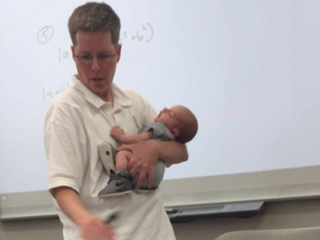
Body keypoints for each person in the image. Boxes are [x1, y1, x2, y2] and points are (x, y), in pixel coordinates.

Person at [44, 2, 188, 240]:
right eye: (85, 57)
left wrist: (154, 148)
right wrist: (86, 221)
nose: (95, 67)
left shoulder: (134, 101)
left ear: (118, 53)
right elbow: (62, 186)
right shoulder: (64, 111)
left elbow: (181, 152)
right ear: (73, 54)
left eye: (103, 56)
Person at [99, 105, 198, 197]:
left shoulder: (159, 127)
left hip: (143, 173)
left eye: (169, 113)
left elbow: (140, 139)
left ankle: (121, 178)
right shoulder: (169, 139)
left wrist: (121, 136)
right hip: (154, 179)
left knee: (122, 153)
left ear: (174, 132)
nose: (164, 109)